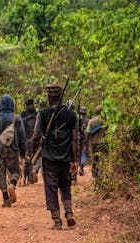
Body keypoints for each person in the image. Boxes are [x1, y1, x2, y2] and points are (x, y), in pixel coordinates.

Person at [32, 82, 79, 230]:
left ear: (49, 97)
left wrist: (33, 152)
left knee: (51, 188)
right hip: (65, 158)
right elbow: (74, 139)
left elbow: (35, 136)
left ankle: (57, 220)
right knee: (65, 185)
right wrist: (75, 159)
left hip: (49, 158)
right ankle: (69, 213)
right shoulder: (72, 115)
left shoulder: (43, 113)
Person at [0, 94, 26, 207]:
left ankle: (6, 199)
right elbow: (22, 137)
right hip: (12, 149)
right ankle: (12, 185)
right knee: (16, 171)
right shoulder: (17, 118)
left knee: (1, 174)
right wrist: (23, 152)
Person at [86, 105, 107, 179]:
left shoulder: (91, 121)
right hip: (103, 143)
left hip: (93, 143)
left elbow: (88, 133)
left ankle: (95, 176)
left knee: (94, 159)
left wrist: (86, 144)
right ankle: (102, 176)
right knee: (103, 159)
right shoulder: (105, 121)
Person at [20, 98, 38, 184]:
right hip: (35, 140)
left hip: (26, 141)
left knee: (27, 160)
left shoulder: (23, 115)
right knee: (34, 158)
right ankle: (31, 176)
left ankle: (27, 178)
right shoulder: (37, 114)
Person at [77, 106, 89, 176]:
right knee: (83, 154)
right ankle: (81, 168)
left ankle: (80, 168)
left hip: (79, 139)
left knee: (79, 154)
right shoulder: (86, 121)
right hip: (83, 139)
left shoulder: (77, 119)